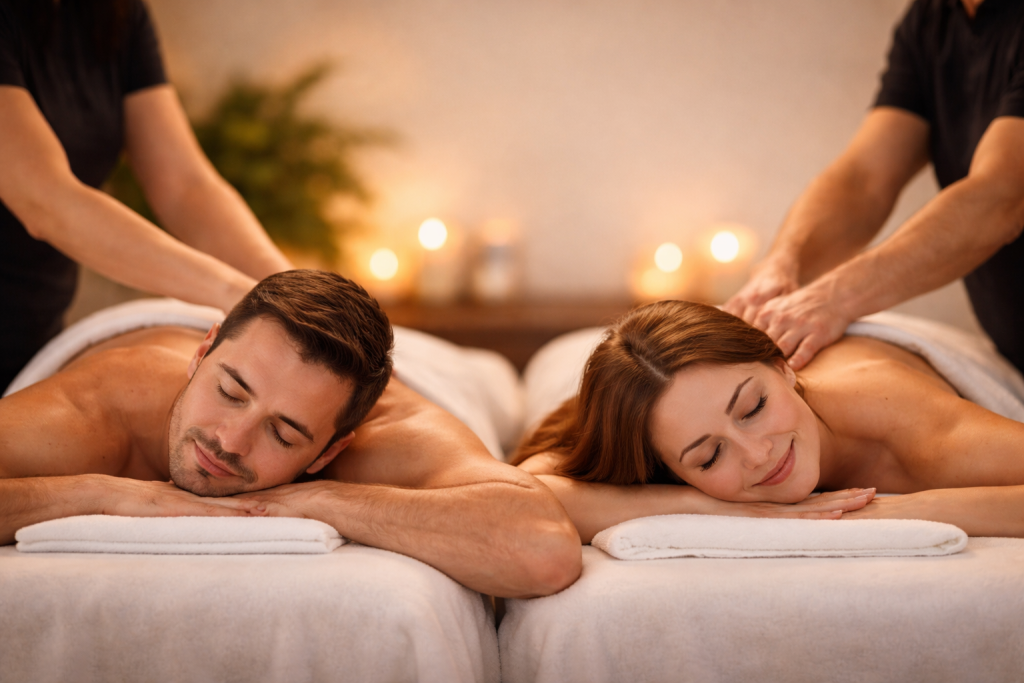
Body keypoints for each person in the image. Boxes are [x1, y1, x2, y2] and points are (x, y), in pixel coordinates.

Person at [0, 270, 581, 598]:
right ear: (203, 354)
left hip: (430, 368)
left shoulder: (389, 439)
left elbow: (541, 549)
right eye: (229, 390)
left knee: (493, 379)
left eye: (284, 434)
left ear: (329, 451)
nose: (230, 440)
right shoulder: (98, 410)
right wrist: (102, 494)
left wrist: (310, 499)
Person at [513, 300, 1024, 543]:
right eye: (709, 457)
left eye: (753, 408)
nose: (759, 454)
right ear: (671, 468)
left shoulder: (911, 426)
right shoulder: (667, 427)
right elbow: (523, 495)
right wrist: (704, 507)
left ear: (782, 367)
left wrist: (893, 513)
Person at [0, 0, 292, 390]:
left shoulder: (117, 15)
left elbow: (186, 187)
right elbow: (45, 200)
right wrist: (240, 293)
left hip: (32, 333)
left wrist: (294, 289)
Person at [724, 0, 1024, 373]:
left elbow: (1001, 196)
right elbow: (862, 179)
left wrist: (835, 297)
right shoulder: (930, 18)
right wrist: (784, 264)